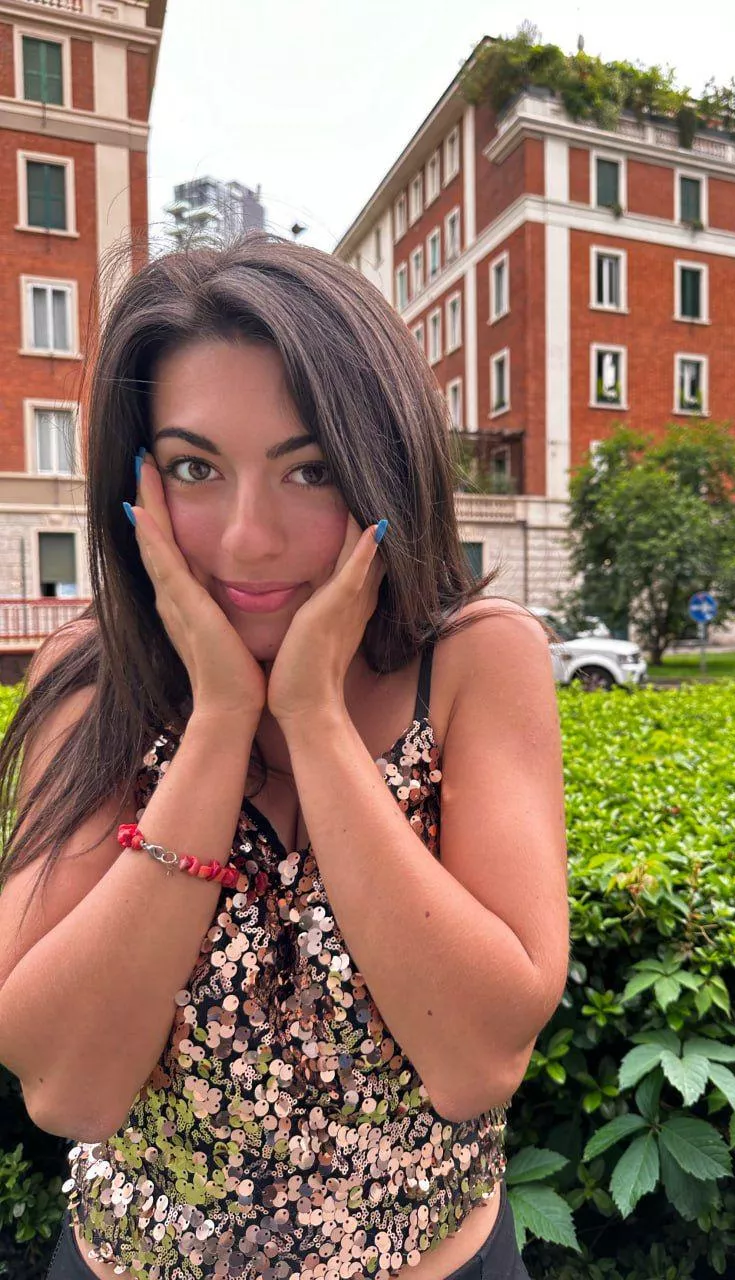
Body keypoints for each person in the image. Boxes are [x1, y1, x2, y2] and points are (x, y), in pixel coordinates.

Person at [0, 234, 570, 1280]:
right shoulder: (89, 680)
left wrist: (311, 714)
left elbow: (477, 1059)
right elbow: (70, 1088)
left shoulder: (478, 660)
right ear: (137, 480)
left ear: (381, 468)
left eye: (309, 469)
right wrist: (221, 721)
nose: (248, 538)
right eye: (195, 468)